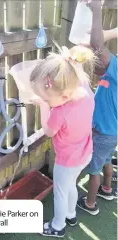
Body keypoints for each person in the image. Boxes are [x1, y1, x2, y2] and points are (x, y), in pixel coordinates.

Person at [30, 45, 95, 237]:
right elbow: (78, 74)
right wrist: (73, 64)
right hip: (84, 154)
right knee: (70, 185)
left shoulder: (60, 111)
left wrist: (43, 106)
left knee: (60, 192)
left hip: (67, 161)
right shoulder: (85, 91)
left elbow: (49, 131)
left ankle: (58, 226)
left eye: (47, 99)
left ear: (64, 96)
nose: (46, 101)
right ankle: (71, 214)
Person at [77, 0, 117, 215]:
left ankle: (90, 203)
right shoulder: (114, 73)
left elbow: (99, 46)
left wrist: (95, 9)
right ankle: (107, 189)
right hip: (111, 134)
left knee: (94, 169)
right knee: (107, 159)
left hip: (102, 133)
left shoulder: (117, 69)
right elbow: (100, 69)